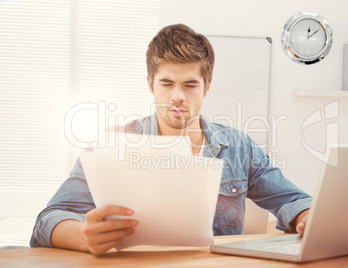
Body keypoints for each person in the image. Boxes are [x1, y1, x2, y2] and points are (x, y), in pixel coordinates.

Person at [30, 24, 311, 255]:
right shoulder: (109, 145)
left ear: (207, 87)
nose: (177, 96)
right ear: (150, 84)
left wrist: (306, 217)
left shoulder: (239, 147)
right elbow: (48, 219)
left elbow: (293, 200)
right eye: (167, 83)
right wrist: (81, 235)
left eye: (190, 84)